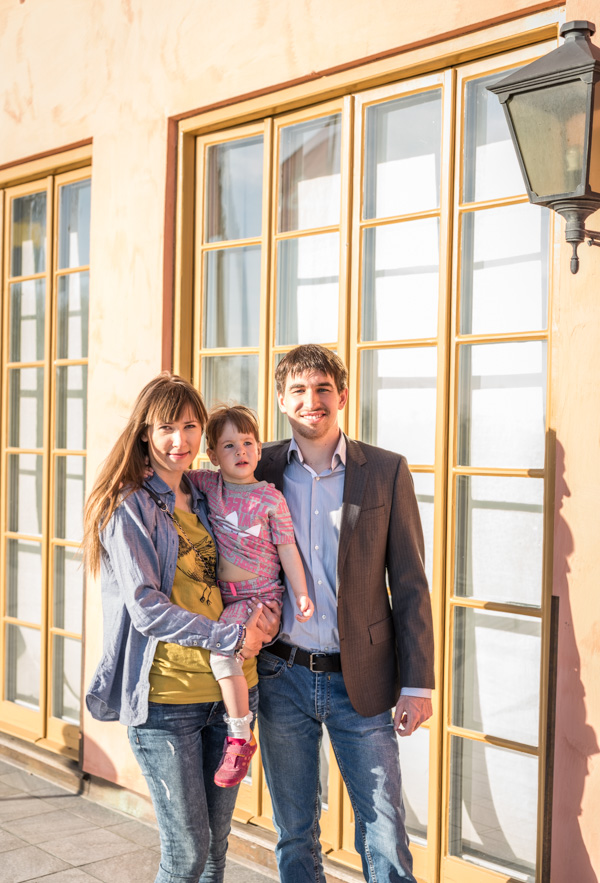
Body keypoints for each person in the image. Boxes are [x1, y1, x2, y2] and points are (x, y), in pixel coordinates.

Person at [83, 373, 279, 883]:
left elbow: (247, 570)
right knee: (186, 854)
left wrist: (266, 618)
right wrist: (231, 638)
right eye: (167, 426)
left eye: (191, 426)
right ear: (145, 432)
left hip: (234, 692)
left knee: (216, 850)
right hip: (167, 701)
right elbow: (146, 607)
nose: (181, 440)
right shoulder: (129, 506)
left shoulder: (205, 492)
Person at [254, 344, 435, 883]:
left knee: (383, 831)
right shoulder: (256, 466)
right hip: (280, 676)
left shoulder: (384, 471)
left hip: (365, 684)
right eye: (300, 392)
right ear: (282, 402)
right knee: (294, 833)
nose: (313, 401)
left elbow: (410, 584)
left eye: (323, 389)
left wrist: (418, 685)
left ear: (343, 396)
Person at [185, 403, 314, 787]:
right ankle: (238, 730)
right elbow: (168, 473)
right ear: (212, 456)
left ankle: (239, 735)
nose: (240, 452)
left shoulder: (270, 498)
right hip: (227, 600)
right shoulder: (209, 485)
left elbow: (288, 548)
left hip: (258, 600)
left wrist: (301, 593)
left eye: (247, 443)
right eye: (228, 446)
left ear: (259, 449)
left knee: (224, 654)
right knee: (230, 655)